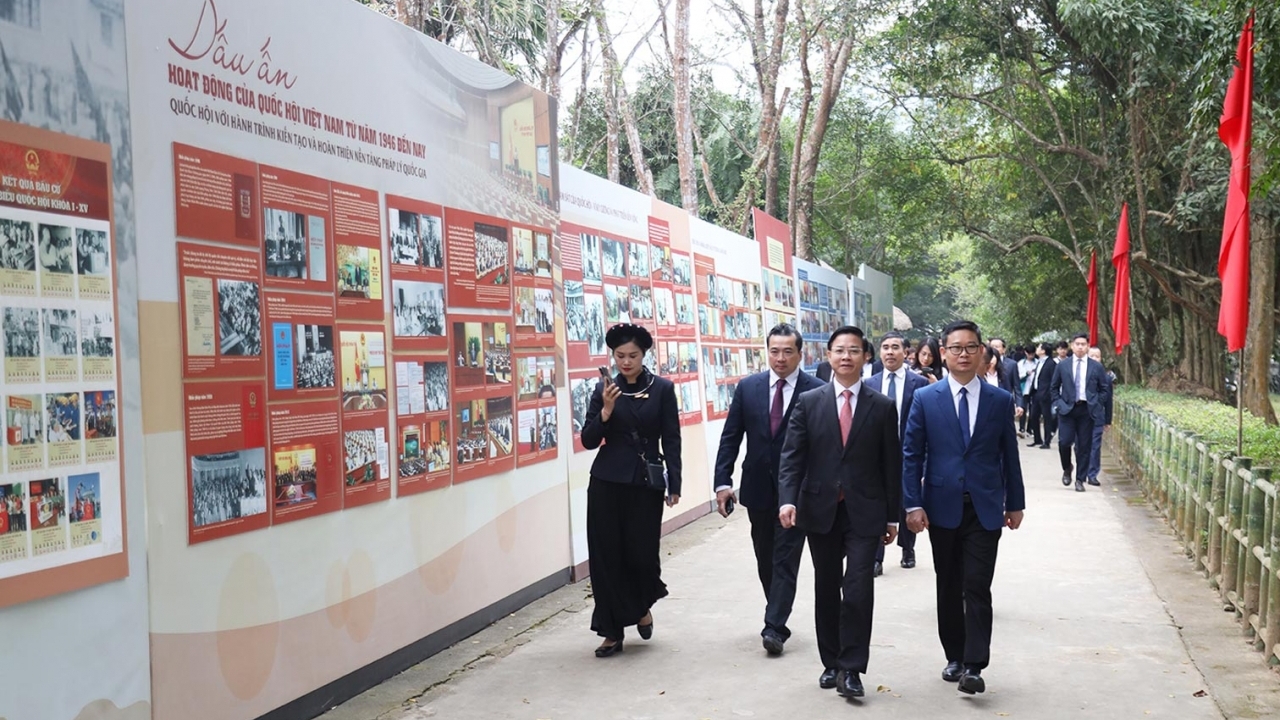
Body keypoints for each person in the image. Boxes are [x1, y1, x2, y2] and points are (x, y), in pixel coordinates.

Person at [903, 319, 1026, 696]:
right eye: (955, 347)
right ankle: (954, 655)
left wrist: (1016, 502)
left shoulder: (999, 400)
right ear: (943, 353)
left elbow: (1009, 454)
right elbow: (912, 454)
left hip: (985, 506)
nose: (963, 353)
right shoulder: (926, 398)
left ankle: (974, 664)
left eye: (971, 347)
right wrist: (912, 503)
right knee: (949, 583)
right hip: (941, 506)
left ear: (982, 353)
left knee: (977, 584)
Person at [778, 326, 901, 699]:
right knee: (827, 585)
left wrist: (892, 516)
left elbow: (890, 464)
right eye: (839, 350)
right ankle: (830, 661)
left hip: (865, 511)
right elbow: (792, 456)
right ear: (828, 356)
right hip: (820, 509)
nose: (846, 357)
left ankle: (852, 668)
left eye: (854, 351)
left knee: (859, 588)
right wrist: (788, 499)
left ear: (866, 357)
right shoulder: (809, 401)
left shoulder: (881, 406)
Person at [714, 323, 824, 655]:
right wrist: (723, 482)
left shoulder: (816, 390)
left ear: (800, 354)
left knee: (785, 559)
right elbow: (731, 437)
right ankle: (775, 609)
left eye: (787, 351)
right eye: (774, 351)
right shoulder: (749, 388)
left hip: (799, 492)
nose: (780, 358)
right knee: (765, 557)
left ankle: (774, 626)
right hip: (759, 488)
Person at [580, 323, 683, 657]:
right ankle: (611, 631)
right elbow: (589, 440)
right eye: (620, 356)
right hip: (607, 482)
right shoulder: (604, 390)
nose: (625, 362)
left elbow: (672, 438)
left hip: (644, 484)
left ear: (644, 355)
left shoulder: (663, 389)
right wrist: (606, 411)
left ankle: (640, 607)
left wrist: (675, 483)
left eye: (632, 356)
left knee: (641, 556)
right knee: (606, 557)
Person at [866, 330, 928, 574]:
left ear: (906, 352)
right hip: (877, 455)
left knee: (907, 501)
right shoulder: (869, 383)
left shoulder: (919, 384)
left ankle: (908, 548)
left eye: (895, 347)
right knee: (878, 503)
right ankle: (876, 556)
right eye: (885, 347)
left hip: (908, 452)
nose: (889, 352)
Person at [1050, 333, 1108, 492]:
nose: (1081, 347)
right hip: (1067, 409)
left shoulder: (1096, 366)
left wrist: (1096, 403)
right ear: (1072, 346)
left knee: (1084, 446)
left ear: (1088, 346)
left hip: (1086, 410)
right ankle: (1067, 467)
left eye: (1083, 344)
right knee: (1064, 442)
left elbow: (1104, 389)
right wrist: (1058, 403)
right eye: (1077, 344)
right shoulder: (1063, 365)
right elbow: (1054, 387)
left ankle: (1080, 479)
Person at [1086, 346, 1115, 486]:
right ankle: (1082, 470)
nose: (1094, 359)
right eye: (1091, 356)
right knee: (1080, 445)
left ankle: (1092, 474)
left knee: (1095, 446)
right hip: (1081, 415)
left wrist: (1108, 420)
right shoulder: (1080, 374)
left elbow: (1109, 401)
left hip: (1098, 416)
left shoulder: (1106, 378)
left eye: (1097, 356)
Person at [1026, 342, 1057, 449]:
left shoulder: (1051, 363)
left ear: (1043, 351)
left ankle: (1047, 441)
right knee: (1033, 416)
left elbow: (1054, 381)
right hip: (1036, 393)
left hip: (1045, 395)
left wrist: (1050, 394)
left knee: (1047, 418)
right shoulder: (1039, 362)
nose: (1037, 349)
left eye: (1039, 347)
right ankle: (1037, 439)